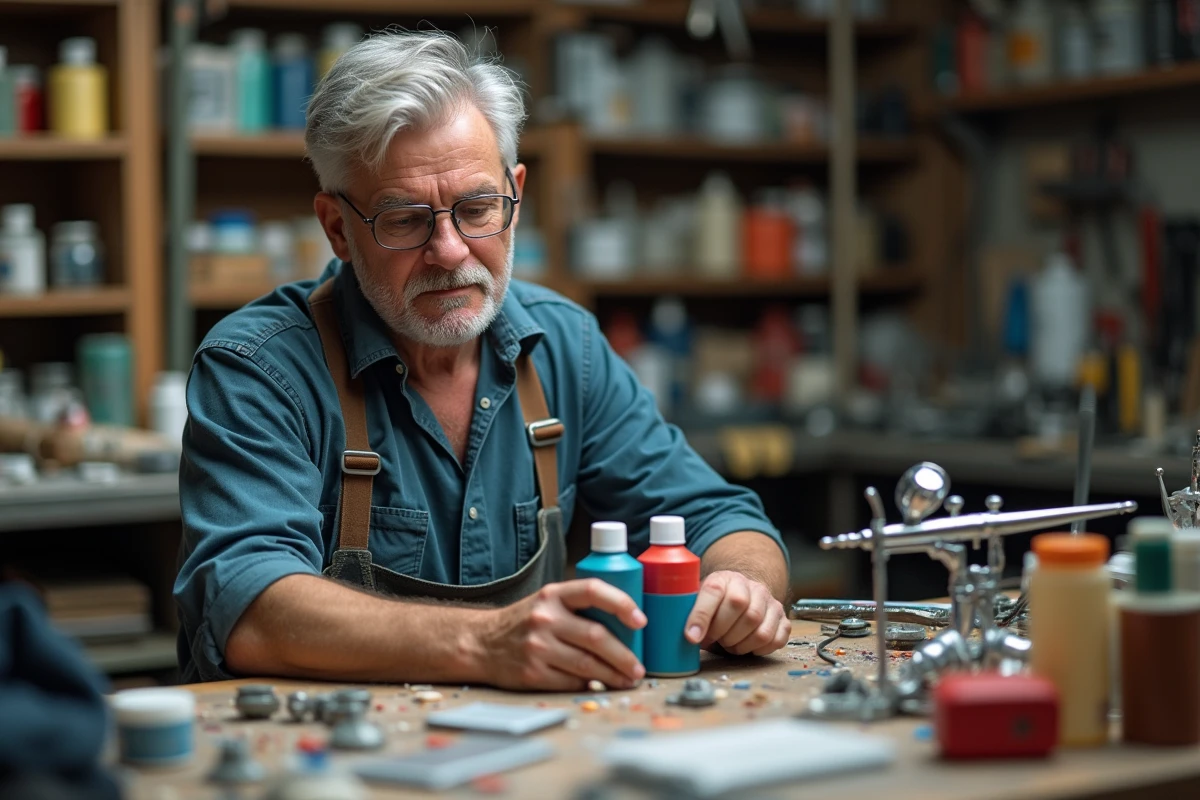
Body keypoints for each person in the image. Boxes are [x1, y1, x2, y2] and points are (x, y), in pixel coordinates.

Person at [174, 30, 791, 689]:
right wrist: (483, 643)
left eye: (476, 209)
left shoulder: (565, 350)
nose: (450, 250)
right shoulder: (259, 367)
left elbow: (720, 519)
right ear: (337, 229)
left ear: (515, 196)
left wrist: (742, 586)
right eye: (405, 220)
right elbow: (248, 608)